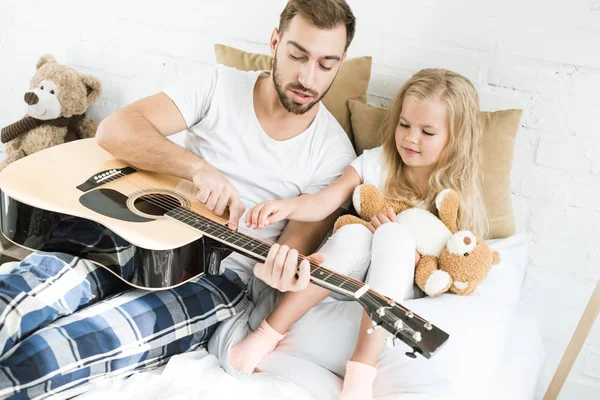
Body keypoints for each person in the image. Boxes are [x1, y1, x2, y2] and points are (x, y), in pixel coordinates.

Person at [0, 0, 358, 397]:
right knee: (13, 300)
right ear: (275, 42)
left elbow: (289, 255)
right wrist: (197, 168)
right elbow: (116, 130)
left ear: (341, 62)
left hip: (218, 277)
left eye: (326, 64)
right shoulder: (218, 85)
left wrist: (276, 273)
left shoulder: (333, 155)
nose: (308, 77)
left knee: (51, 355)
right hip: (134, 237)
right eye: (297, 55)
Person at [229, 68, 490, 400]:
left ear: (455, 137)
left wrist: (416, 256)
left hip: (400, 285)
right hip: (349, 276)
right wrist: (287, 208)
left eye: (427, 132)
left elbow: (458, 265)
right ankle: (266, 335)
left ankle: (360, 376)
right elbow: (326, 200)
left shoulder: (456, 197)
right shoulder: (378, 163)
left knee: (394, 236)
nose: (411, 138)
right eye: (405, 125)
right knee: (356, 236)